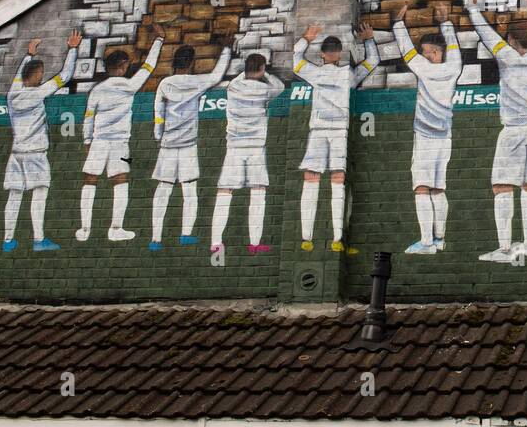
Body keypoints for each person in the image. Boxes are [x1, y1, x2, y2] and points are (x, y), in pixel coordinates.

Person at [467, 0, 527, 264]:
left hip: (513, 133)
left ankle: (504, 249)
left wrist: (473, 8)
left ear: (512, 39)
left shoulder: (507, 57)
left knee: (502, 187)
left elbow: (486, 34)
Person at [292, 21, 378, 254]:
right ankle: (337, 237)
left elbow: (296, 60)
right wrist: (369, 39)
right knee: (337, 181)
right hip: (339, 131)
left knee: (311, 180)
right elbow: (373, 62)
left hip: (318, 131)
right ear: (338, 54)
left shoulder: (315, 73)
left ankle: (306, 237)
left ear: (322, 54)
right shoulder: (347, 75)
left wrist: (306, 38)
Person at [78, 29, 164, 243]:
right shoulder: (129, 86)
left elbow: (88, 117)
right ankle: (116, 228)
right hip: (119, 144)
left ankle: (84, 228)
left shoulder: (96, 90)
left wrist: (87, 141)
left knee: (90, 180)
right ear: (123, 66)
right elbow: (149, 67)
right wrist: (158, 41)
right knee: (120, 181)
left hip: (98, 142)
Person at [392, 2, 462, 255]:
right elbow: (453, 47)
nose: (421, 55)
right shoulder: (454, 68)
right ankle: (440, 239)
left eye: (425, 52)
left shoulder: (424, 69)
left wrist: (399, 23)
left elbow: (406, 51)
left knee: (421, 187)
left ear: (432, 53)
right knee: (438, 188)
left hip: (424, 136)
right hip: (445, 137)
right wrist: (446, 22)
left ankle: (425, 242)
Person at [149, 38, 232, 250]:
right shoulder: (196, 82)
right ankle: (186, 234)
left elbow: (158, 114)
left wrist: (159, 135)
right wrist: (226, 50)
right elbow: (217, 75)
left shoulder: (165, 84)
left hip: (168, 144)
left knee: (163, 189)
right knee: (189, 190)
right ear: (192, 63)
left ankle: (156, 238)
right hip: (188, 145)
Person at [2, 31, 81, 252]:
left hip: (16, 154)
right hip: (35, 153)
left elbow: (18, 76)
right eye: (41, 73)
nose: (43, 76)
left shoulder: (12, 94)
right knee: (39, 194)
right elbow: (65, 76)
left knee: (14, 196)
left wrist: (28, 54)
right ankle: (39, 239)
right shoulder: (37, 94)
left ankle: (8, 240)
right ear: (36, 75)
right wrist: (72, 49)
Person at [210, 53, 285, 254]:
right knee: (258, 194)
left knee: (225, 193)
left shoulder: (233, 87)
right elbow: (280, 86)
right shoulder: (266, 90)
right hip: (256, 148)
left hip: (234, 147)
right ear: (261, 69)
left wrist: (247, 72)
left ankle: (216, 242)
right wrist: (266, 73)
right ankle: (254, 243)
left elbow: (236, 80)